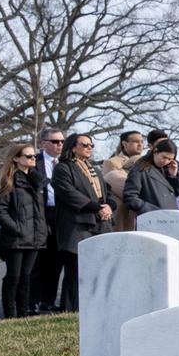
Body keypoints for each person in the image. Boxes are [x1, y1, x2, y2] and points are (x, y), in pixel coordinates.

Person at [51, 132, 114, 311]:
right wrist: (97, 207)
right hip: (77, 227)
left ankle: (92, 307)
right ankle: (70, 309)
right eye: (84, 144)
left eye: (91, 145)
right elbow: (69, 193)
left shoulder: (95, 169)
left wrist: (109, 205)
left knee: (96, 271)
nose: (89, 148)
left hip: (99, 226)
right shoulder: (63, 168)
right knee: (75, 272)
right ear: (73, 147)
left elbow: (106, 192)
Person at [0, 144, 47, 318]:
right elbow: (0, 210)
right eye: (28, 156)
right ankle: (9, 314)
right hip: (15, 238)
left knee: (26, 276)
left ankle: (23, 314)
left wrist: (43, 230)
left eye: (34, 156)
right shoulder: (7, 180)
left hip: (35, 237)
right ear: (16, 158)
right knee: (13, 277)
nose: (33, 159)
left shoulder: (36, 181)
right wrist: (17, 229)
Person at [28, 128, 67, 313]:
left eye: (61, 141)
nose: (59, 145)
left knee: (55, 261)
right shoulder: (33, 161)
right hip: (41, 213)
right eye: (55, 141)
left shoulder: (66, 163)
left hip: (60, 215)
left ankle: (48, 300)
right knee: (38, 261)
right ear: (44, 143)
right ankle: (33, 301)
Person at [123, 139, 179, 224]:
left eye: (170, 159)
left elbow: (177, 194)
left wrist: (173, 176)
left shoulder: (167, 169)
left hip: (170, 220)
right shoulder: (140, 168)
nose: (166, 161)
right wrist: (152, 211)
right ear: (155, 152)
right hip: (151, 221)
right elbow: (130, 197)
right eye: (164, 157)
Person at [100, 130, 146, 226]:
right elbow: (110, 188)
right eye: (136, 141)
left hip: (141, 213)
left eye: (142, 141)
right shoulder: (112, 162)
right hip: (123, 212)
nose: (140, 144)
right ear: (124, 144)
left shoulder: (147, 162)